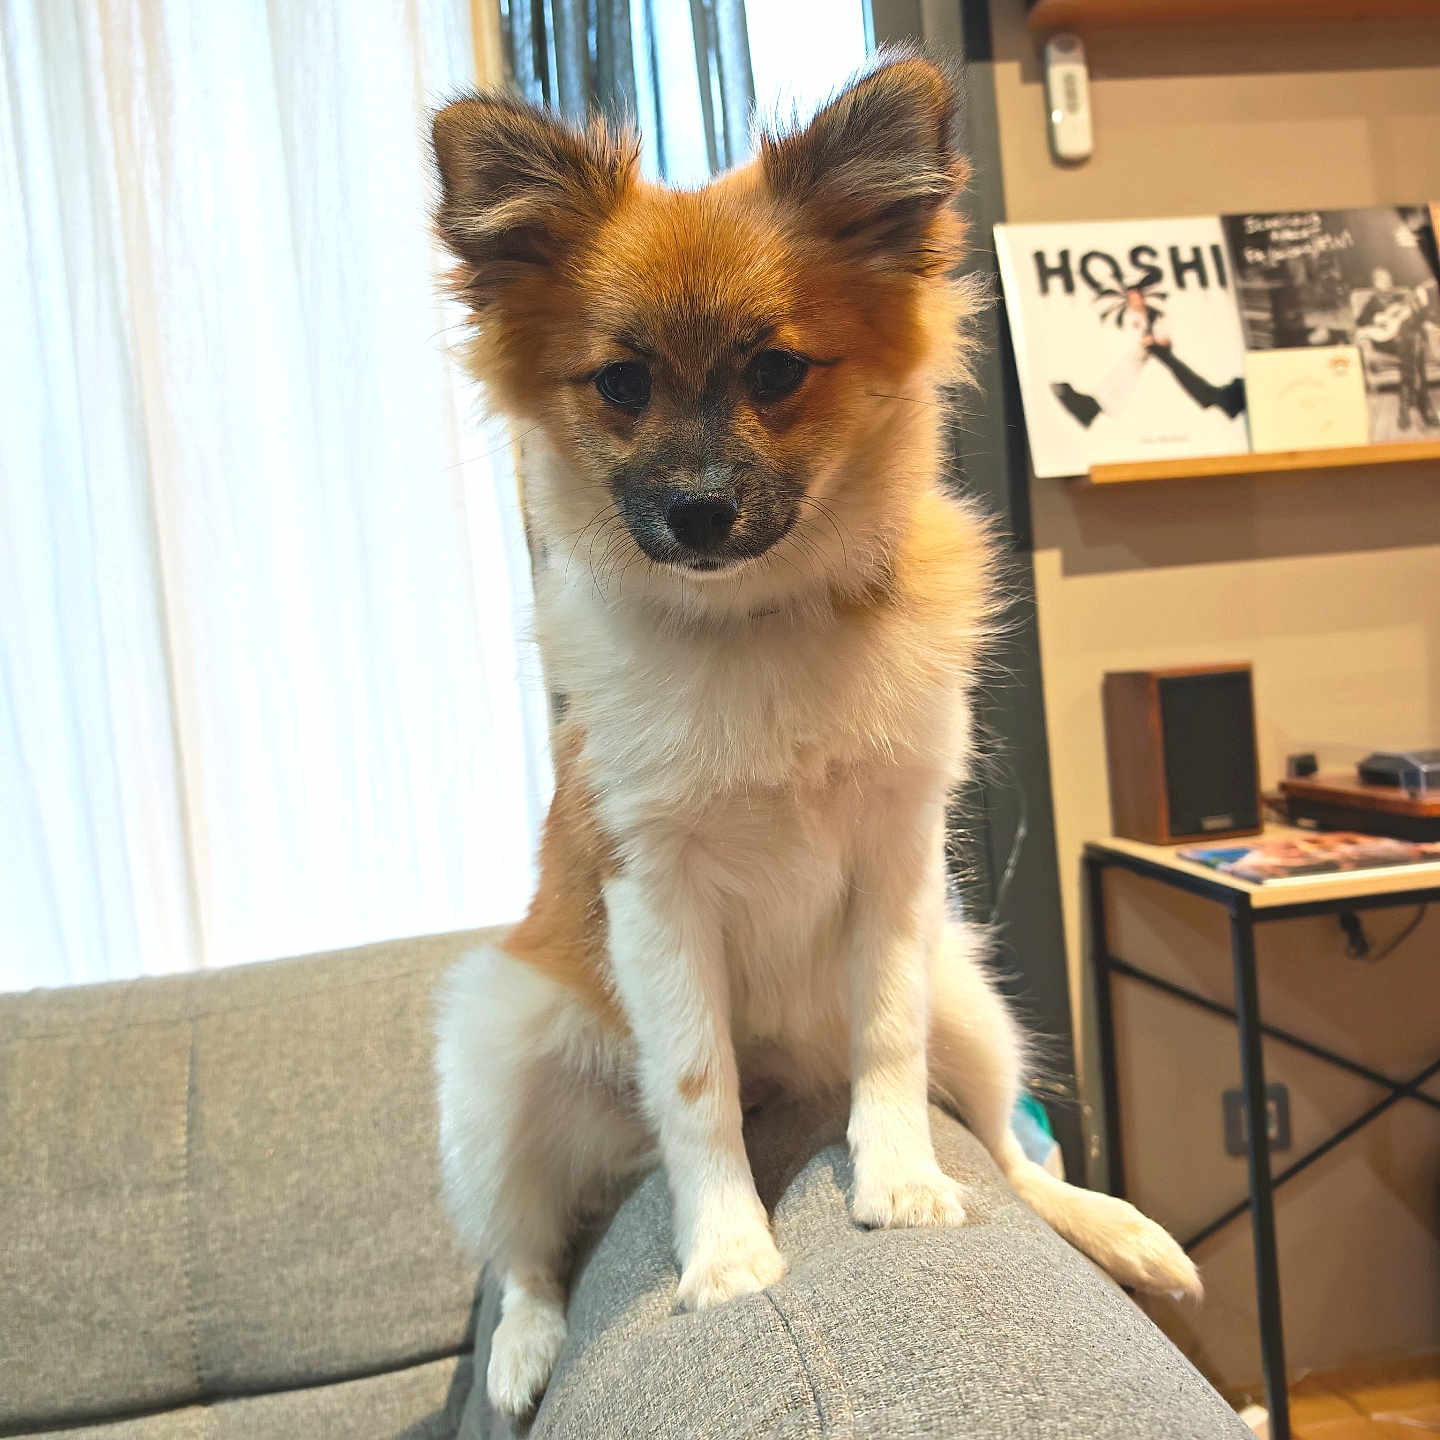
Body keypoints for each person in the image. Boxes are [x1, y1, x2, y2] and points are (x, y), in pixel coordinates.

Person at [1052, 285, 1245, 429]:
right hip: (1139, 357)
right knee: (1119, 377)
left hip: (1155, 357)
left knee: (1126, 378)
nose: (1135, 302)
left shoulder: (1157, 316)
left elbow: (1166, 338)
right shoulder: (1131, 320)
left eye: (1137, 298)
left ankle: (1091, 408)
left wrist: (1158, 343)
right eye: (1131, 299)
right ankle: (1091, 408)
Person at [1355, 264, 1439, 432]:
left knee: (1411, 336)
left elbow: (1419, 315)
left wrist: (1412, 310)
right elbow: (1360, 322)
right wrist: (1377, 318)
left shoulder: (1402, 296)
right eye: (1382, 279)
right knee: (1414, 342)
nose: (1386, 282)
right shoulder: (1372, 301)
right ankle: (1424, 404)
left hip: (1404, 342)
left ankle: (1405, 404)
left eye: (1388, 278)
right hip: (1386, 341)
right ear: (1375, 283)